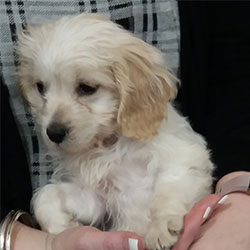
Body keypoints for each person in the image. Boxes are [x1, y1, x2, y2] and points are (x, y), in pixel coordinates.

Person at [1, 1, 250, 250]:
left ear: (133, 87)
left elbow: (190, 165)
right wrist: (48, 229)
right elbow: (94, 202)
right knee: (46, 198)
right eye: (42, 88)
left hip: (203, 239)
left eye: (86, 88)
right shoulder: (87, 153)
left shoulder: (164, 141)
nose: (53, 121)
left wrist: (169, 210)